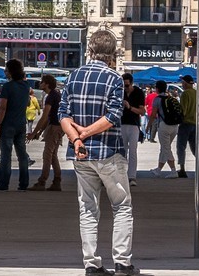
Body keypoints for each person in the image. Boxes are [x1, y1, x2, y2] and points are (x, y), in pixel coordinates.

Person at [59, 30, 136, 276]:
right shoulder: (114, 79)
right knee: (121, 205)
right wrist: (86, 133)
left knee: (87, 208)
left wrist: (77, 138)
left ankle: (92, 264)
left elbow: (63, 114)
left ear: (90, 51)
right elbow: (114, 116)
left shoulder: (73, 76)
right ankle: (122, 262)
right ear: (112, 54)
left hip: (81, 154)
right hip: (108, 151)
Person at [0, 59, 32, 191]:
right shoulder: (26, 86)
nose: (5, 72)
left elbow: (3, 107)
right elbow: (27, 103)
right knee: (22, 155)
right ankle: (23, 183)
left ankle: (3, 183)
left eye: (6, 70)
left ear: (11, 72)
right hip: (21, 124)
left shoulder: (7, 87)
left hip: (8, 124)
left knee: (6, 155)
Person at [28, 73, 64, 191]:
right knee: (53, 155)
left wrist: (34, 132)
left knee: (47, 155)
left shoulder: (50, 97)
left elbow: (45, 116)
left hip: (54, 128)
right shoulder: (56, 94)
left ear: (47, 84)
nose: (40, 84)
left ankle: (42, 181)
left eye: (42, 82)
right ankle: (57, 182)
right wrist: (40, 131)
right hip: (59, 127)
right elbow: (49, 117)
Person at [119, 72, 145, 185]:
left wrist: (129, 107)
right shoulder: (120, 92)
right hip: (121, 124)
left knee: (133, 150)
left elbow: (142, 112)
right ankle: (122, 175)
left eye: (127, 85)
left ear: (131, 84)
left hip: (134, 124)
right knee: (122, 151)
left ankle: (132, 176)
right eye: (123, 85)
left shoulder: (138, 93)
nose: (125, 88)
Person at [151, 81, 178, 177]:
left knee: (166, 148)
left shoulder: (157, 99)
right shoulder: (171, 98)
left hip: (163, 125)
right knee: (164, 148)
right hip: (174, 126)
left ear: (157, 89)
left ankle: (173, 171)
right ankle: (158, 169)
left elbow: (153, 114)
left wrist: (148, 126)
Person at [175, 74, 197, 178]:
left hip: (185, 123)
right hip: (195, 124)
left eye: (183, 83)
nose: (182, 84)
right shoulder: (197, 93)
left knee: (181, 146)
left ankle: (182, 168)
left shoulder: (185, 94)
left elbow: (183, 110)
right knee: (195, 147)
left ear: (186, 83)